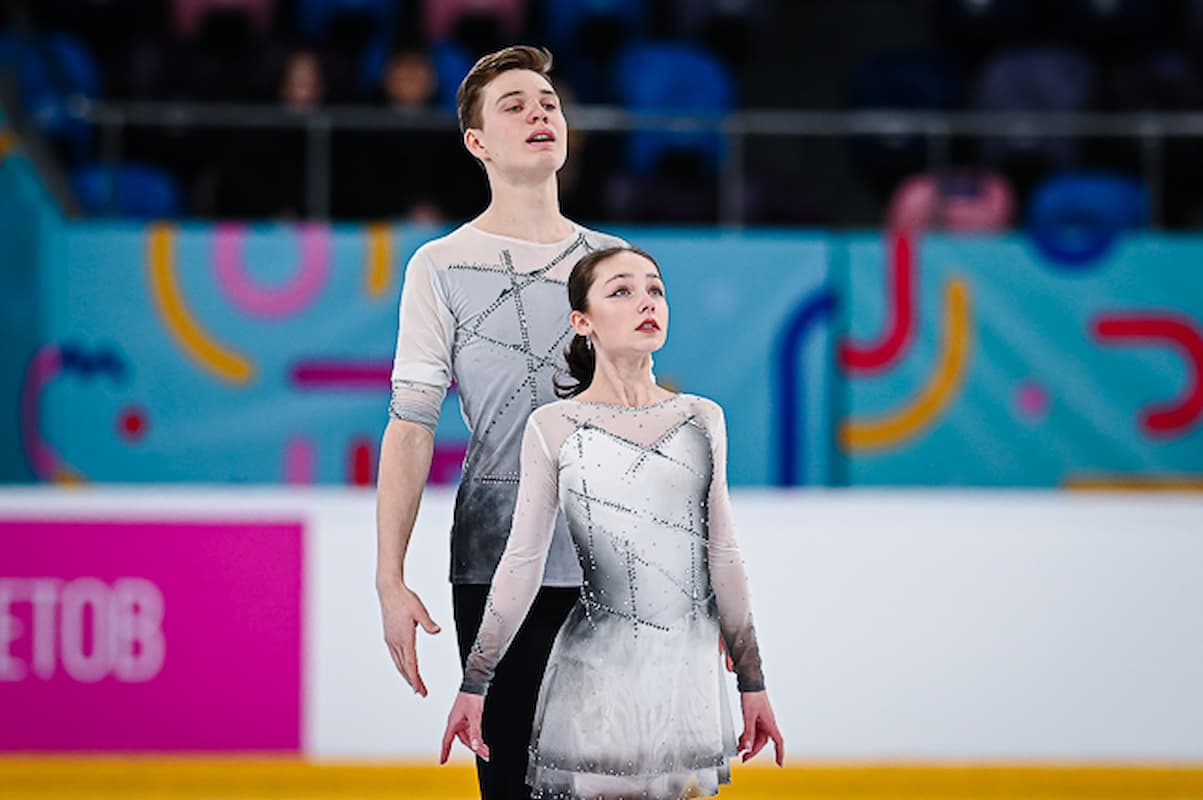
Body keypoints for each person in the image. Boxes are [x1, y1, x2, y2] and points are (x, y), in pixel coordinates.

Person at [440, 246, 784, 799]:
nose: (646, 301)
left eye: (655, 289)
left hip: (685, 682)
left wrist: (753, 680)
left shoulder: (702, 417)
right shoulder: (553, 426)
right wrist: (476, 681)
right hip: (595, 676)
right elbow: (522, 562)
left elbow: (723, 554)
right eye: (621, 291)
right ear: (582, 322)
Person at [375, 45, 626, 800]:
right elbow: (411, 423)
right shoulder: (440, 266)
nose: (539, 113)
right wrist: (389, 576)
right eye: (513, 105)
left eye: (547, 102)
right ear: (477, 142)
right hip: (495, 554)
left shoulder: (611, 260)